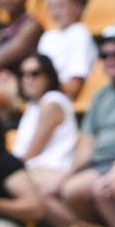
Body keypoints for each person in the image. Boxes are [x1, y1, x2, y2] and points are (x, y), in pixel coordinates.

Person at [45, 26, 115, 227]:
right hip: (98, 164)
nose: (111, 59)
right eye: (105, 55)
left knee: (97, 189)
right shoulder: (99, 96)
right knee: (61, 190)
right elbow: (87, 142)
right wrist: (68, 173)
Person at [11, 54, 78, 208]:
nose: (28, 79)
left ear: (48, 76)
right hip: (35, 170)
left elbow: (33, 151)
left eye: (34, 73)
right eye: (23, 74)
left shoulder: (52, 102)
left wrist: (10, 169)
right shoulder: (34, 104)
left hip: (49, 171)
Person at [37, 0, 98, 100]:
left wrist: (42, 85)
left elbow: (74, 87)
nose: (55, 12)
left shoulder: (79, 33)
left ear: (77, 6)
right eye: (50, 6)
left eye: (61, 5)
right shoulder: (47, 36)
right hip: (43, 97)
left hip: (62, 101)